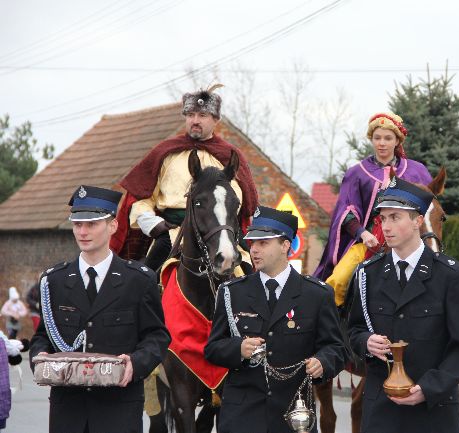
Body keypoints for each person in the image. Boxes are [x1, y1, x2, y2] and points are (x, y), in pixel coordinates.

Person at [30, 185, 171, 433]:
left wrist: (136, 363)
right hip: (68, 413)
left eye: (92, 224)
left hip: (118, 411)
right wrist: (39, 358)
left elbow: (157, 336)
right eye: (77, 224)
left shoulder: (138, 280)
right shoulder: (55, 280)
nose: (83, 232)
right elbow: (43, 336)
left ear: (113, 226)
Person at [347, 178, 459, 433]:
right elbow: (353, 331)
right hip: (381, 412)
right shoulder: (366, 274)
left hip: (434, 412)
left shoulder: (451, 275)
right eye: (383, 219)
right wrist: (366, 342)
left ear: (417, 221)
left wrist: (429, 389)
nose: (387, 226)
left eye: (395, 217)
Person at [204, 206, 346, 433]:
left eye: (263, 243)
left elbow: (337, 348)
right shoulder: (232, 292)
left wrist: (324, 363)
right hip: (242, 417)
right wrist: (238, 349)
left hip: (293, 415)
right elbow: (213, 349)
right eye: (252, 243)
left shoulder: (317, 294)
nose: (254, 250)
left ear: (285, 245)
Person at [110, 87, 258, 274]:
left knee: (248, 274)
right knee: (143, 279)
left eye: (202, 115)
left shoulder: (230, 156)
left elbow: (240, 200)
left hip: (219, 231)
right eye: (190, 115)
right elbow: (142, 198)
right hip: (173, 233)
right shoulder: (165, 153)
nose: (195, 121)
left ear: (215, 120)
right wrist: (153, 223)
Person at [314, 112, 433, 306]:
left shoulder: (417, 171)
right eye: (377, 138)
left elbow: (429, 212)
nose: (382, 143)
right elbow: (346, 212)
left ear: (397, 141)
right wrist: (363, 234)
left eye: (388, 138)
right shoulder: (356, 173)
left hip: (410, 245)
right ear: (371, 139)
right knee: (337, 281)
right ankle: (332, 330)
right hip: (367, 244)